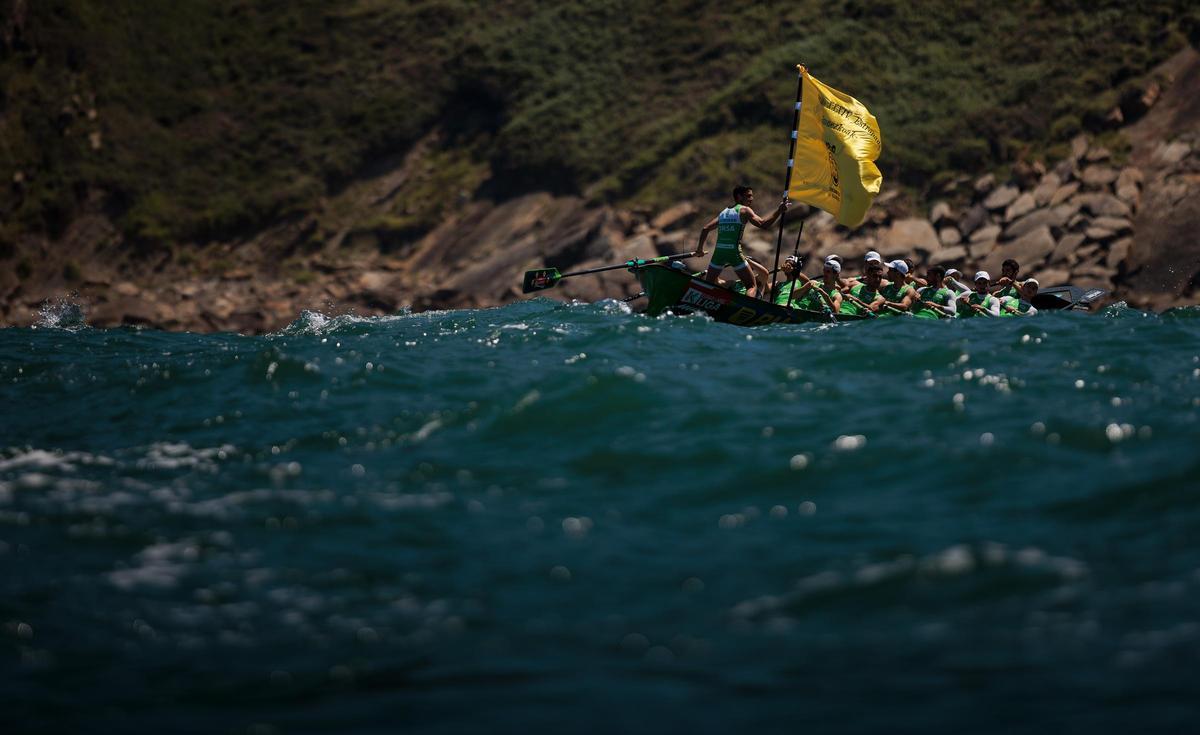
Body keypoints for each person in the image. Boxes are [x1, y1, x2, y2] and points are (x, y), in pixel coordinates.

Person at [693, 185, 789, 298]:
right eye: (748, 196)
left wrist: (699, 250)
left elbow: (705, 229)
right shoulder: (744, 210)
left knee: (709, 284)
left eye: (752, 196)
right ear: (739, 197)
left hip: (719, 252)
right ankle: (745, 307)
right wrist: (779, 211)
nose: (751, 199)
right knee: (751, 286)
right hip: (734, 252)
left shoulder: (724, 212)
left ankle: (702, 303)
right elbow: (763, 224)